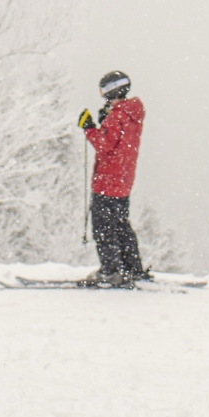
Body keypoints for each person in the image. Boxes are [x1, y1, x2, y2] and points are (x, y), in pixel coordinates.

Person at [79, 71, 148, 285]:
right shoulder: (131, 114)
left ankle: (110, 271)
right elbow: (117, 141)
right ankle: (132, 268)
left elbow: (104, 145)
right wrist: (104, 122)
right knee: (120, 224)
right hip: (122, 180)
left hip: (107, 180)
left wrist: (89, 128)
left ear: (111, 90)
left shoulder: (117, 115)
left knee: (103, 227)